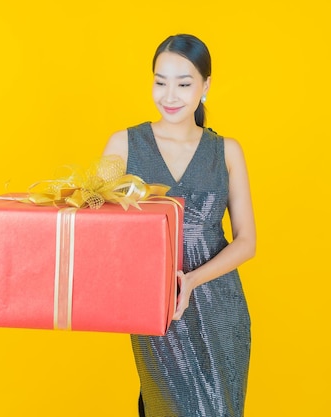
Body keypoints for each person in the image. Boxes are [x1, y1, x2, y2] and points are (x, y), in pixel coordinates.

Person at [103, 34, 256, 417]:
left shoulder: (227, 151)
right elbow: (96, 224)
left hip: (221, 308)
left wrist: (190, 280)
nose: (170, 94)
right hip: (160, 310)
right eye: (160, 81)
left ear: (205, 86)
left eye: (184, 83)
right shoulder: (123, 145)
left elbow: (247, 242)